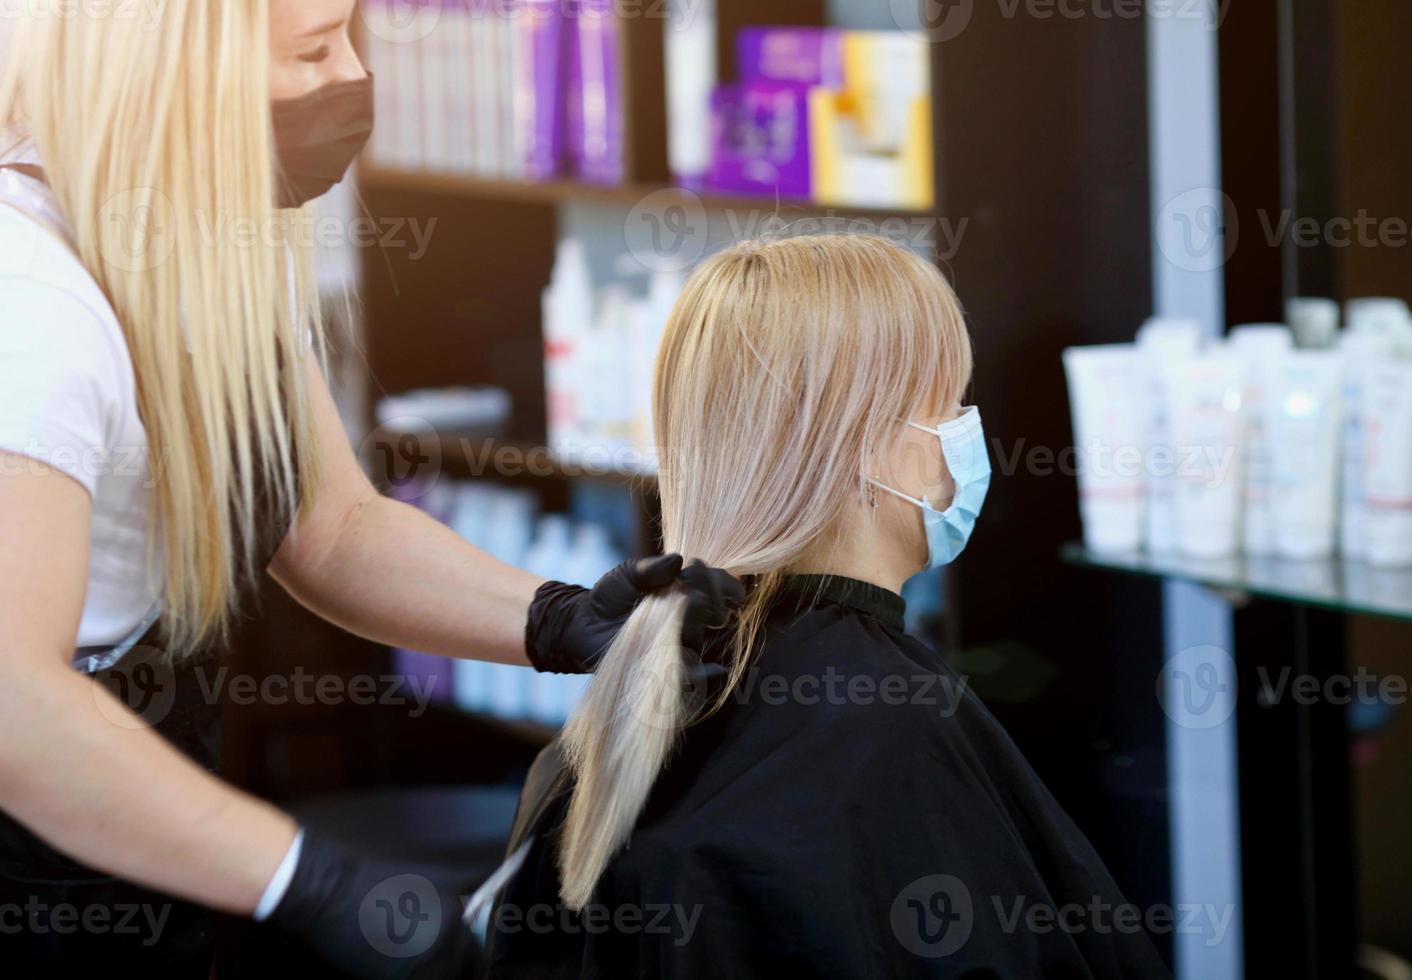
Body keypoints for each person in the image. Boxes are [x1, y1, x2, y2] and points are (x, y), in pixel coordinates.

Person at [0, 3, 743, 977]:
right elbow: (16, 701)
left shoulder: (210, 258)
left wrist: (562, 620)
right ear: (179, 74)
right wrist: (310, 881)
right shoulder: (34, 307)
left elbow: (331, 524)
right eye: (316, 49)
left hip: (145, 852)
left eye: (355, 37)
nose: (353, 78)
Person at [481, 235, 1173, 978]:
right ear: (870, 444)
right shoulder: (882, 728)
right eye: (951, 405)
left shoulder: (658, 691)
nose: (968, 437)